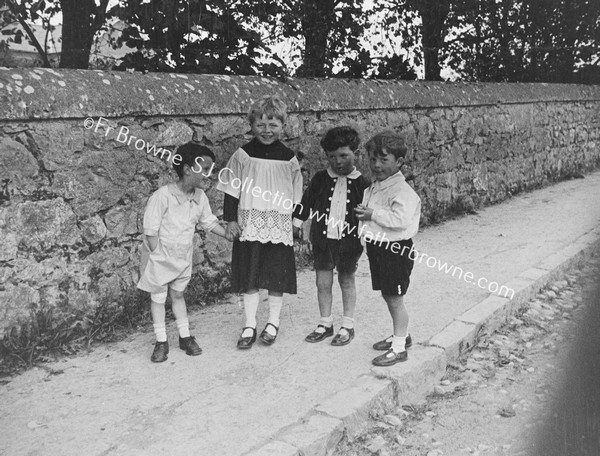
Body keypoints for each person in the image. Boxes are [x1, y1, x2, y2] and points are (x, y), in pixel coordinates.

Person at [217, 95, 303, 349]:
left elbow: (298, 194)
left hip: (278, 225)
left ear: (283, 126)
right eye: (261, 125)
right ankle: (250, 323)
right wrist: (231, 220)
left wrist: (296, 222)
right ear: (252, 125)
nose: (266, 131)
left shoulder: (289, 159)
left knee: (276, 275)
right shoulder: (243, 155)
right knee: (250, 276)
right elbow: (231, 190)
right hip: (249, 223)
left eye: (273, 125)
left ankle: (273, 322)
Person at [137, 142, 229, 363]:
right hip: (161, 257)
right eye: (204, 169)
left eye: (210, 170)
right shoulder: (163, 196)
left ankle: (185, 336)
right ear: (187, 169)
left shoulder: (200, 197)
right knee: (158, 298)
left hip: (183, 257)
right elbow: (151, 228)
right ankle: (161, 341)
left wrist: (227, 234)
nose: (208, 175)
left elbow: (208, 222)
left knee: (178, 295)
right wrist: (158, 253)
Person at [293, 126, 370, 346]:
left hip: (349, 241)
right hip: (322, 240)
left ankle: (348, 324)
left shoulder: (362, 183)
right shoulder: (320, 179)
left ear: (355, 153)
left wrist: (368, 235)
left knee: (346, 279)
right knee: (322, 282)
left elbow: (369, 211)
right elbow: (306, 203)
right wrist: (297, 224)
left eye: (344, 155)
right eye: (332, 156)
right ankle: (325, 323)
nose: (338, 162)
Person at [354, 130, 421, 366]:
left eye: (384, 160)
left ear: (399, 162)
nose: (376, 165)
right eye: (373, 159)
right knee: (388, 294)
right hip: (379, 248)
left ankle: (400, 348)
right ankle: (400, 335)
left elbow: (400, 220)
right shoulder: (379, 184)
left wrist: (373, 214)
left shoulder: (401, 191)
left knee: (395, 297)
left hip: (396, 250)